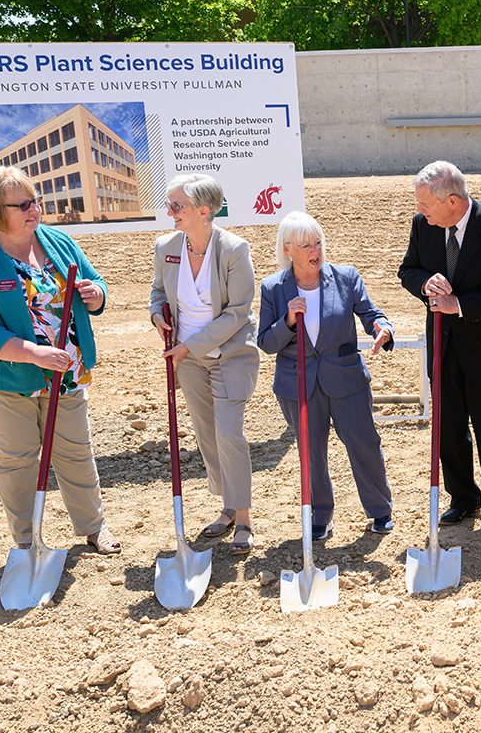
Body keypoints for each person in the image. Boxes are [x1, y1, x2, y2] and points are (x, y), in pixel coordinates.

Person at [0, 166, 120, 554]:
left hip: (65, 373)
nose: (34, 210)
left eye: (35, 200)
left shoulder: (56, 242)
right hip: (2, 379)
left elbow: (97, 283)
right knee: (17, 460)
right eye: (22, 204)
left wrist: (96, 295)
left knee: (75, 451)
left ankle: (93, 527)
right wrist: (32, 353)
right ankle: (27, 539)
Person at [398, 161, 481, 531]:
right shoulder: (424, 225)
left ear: (452, 201)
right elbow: (408, 270)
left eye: (426, 204)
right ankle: (463, 500)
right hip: (443, 347)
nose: (419, 211)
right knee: (449, 428)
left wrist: (460, 305)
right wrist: (425, 284)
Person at [258, 211, 396, 540]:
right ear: (288, 249)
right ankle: (320, 515)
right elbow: (266, 342)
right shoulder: (273, 288)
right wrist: (288, 321)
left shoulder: (345, 278)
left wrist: (383, 328)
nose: (314, 250)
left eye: (317, 242)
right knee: (311, 452)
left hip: (346, 379)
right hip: (298, 384)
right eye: (305, 244)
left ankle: (380, 509)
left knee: (364, 444)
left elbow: (371, 315)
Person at [150, 174, 260, 556]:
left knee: (229, 434)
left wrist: (189, 346)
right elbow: (158, 291)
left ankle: (243, 518)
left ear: (204, 210)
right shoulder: (166, 246)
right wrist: (156, 315)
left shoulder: (233, 249)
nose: (170, 213)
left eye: (177, 206)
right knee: (207, 435)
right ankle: (228, 506)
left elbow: (238, 312)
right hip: (188, 361)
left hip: (228, 355)